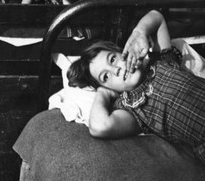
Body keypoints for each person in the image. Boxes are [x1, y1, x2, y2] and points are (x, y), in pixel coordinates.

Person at [67, 10, 205, 165]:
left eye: (113, 59)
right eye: (105, 76)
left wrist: (140, 32)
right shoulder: (133, 109)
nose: (116, 70)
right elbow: (99, 126)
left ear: (123, 51)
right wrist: (103, 93)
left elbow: (157, 17)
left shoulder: (162, 61)